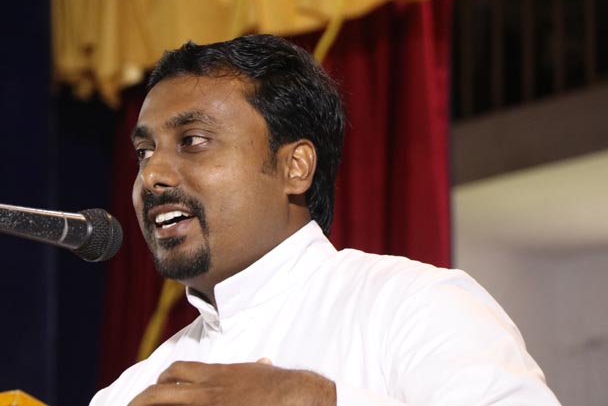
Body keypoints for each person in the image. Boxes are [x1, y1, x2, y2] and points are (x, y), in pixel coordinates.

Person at [91, 34, 560, 406]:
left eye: (193, 141)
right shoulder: (132, 390)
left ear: (295, 167)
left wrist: (315, 400)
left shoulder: (415, 306)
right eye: (144, 152)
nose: (151, 175)